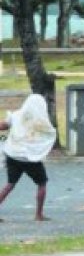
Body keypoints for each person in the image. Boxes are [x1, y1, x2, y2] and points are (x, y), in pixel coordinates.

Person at [0, 94, 57, 222]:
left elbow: (3, 125)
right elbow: (48, 134)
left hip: (13, 154)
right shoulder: (40, 121)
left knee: (9, 184)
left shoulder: (16, 115)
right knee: (42, 183)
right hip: (30, 158)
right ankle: (39, 214)